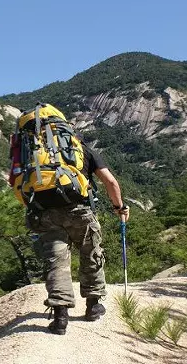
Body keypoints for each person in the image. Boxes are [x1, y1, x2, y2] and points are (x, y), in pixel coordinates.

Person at [25, 137, 130, 335]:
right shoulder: (81, 149)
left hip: (46, 215)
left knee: (56, 263)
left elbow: (17, 184)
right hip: (80, 212)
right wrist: (119, 207)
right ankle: (93, 306)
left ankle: (60, 317)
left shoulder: (33, 153)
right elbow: (111, 182)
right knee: (91, 254)